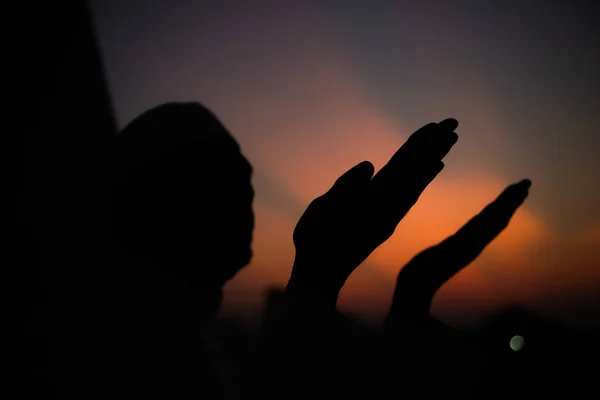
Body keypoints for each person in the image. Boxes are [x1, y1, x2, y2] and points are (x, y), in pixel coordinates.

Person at [110, 102, 255, 399]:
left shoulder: (204, 340)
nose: (247, 196)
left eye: (245, 182)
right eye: (220, 179)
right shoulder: (117, 351)